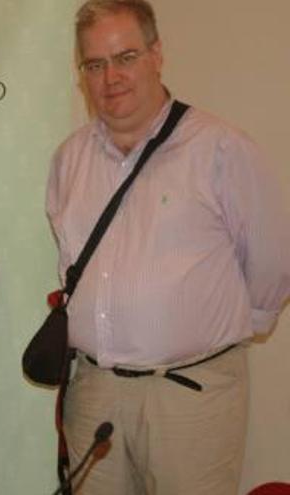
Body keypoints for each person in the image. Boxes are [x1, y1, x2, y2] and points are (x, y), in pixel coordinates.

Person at [46, 1, 290, 493]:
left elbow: (273, 263)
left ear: (157, 55)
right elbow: (71, 262)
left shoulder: (221, 149)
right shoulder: (69, 159)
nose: (110, 77)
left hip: (191, 397)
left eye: (126, 57)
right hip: (94, 393)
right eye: (94, 64)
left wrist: (210, 342)